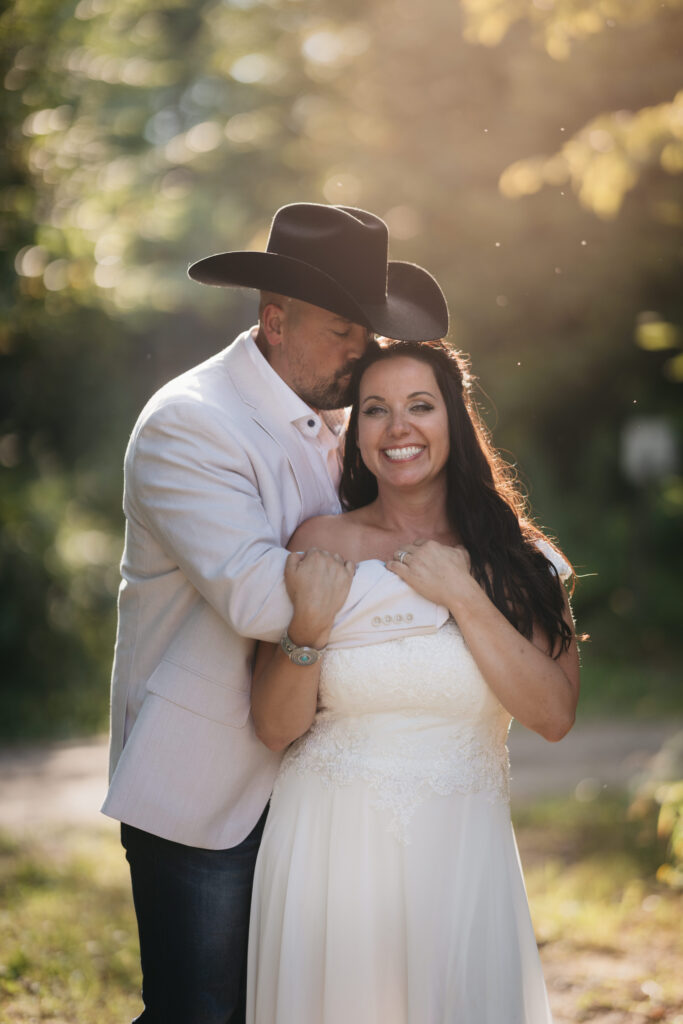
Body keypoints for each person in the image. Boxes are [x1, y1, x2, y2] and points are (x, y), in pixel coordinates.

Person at [100, 204, 449, 1024]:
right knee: (202, 1012)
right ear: (274, 321)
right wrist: (445, 594)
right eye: (342, 336)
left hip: (319, 785)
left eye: (366, 338)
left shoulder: (338, 418)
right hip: (206, 789)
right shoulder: (190, 424)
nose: (360, 357)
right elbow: (266, 599)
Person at [246, 339, 581, 1023]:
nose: (398, 428)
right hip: (327, 855)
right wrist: (305, 629)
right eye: (375, 411)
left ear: (453, 423)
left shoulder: (521, 564)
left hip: (461, 856)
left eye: (419, 406)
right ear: (356, 435)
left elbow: (551, 715)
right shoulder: (318, 541)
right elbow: (275, 728)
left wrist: (463, 595)